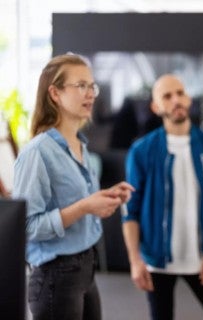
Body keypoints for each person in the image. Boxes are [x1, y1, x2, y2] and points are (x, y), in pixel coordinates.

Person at [13, 54, 134, 320]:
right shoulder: (37, 152)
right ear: (54, 93)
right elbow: (25, 227)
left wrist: (103, 199)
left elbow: (80, 204)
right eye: (81, 85)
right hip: (55, 275)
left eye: (92, 86)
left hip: (85, 267)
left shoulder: (80, 145)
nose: (90, 93)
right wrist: (84, 207)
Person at [122, 74, 203, 320]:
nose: (176, 100)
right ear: (156, 107)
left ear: (188, 99)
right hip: (157, 260)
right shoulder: (141, 151)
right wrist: (135, 261)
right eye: (167, 96)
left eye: (180, 93)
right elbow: (130, 210)